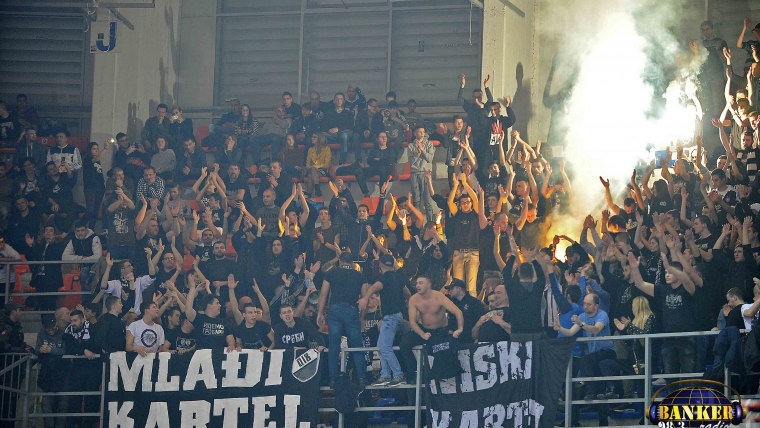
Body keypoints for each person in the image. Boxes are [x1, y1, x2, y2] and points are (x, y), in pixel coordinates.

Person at [628, 252, 698, 374]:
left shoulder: (687, 288)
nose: (667, 275)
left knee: (689, 378)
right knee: (670, 378)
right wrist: (635, 269)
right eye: (665, 272)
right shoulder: (663, 289)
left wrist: (669, 266)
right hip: (668, 339)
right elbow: (640, 284)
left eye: (670, 272)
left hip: (687, 338)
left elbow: (686, 280)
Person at [358, 254, 411, 386]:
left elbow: (373, 287)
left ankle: (398, 375)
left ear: (380, 264)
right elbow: (408, 293)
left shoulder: (384, 277)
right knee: (381, 346)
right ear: (393, 264)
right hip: (398, 315)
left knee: (385, 347)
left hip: (390, 317)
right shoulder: (398, 277)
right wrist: (408, 303)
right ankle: (385, 375)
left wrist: (364, 298)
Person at [317, 251, 369, 386]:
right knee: (356, 344)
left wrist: (320, 313)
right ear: (352, 262)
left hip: (334, 310)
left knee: (334, 345)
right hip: (351, 310)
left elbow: (323, 294)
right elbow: (365, 299)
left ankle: (333, 379)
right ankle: (362, 377)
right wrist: (362, 317)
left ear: (340, 261)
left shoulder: (331, 273)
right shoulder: (359, 276)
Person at [554, 294, 618, 400]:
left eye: (589, 304)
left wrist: (581, 324)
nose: (585, 306)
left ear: (596, 306)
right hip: (594, 354)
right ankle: (593, 394)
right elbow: (570, 332)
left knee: (586, 360)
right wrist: (560, 328)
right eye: (584, 303)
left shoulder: (602, 314)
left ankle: (590, 393)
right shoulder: (582, 316)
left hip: (607, 350)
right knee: (588, 362)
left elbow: (596, 329)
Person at [400, 275, 463, 381]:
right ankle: (414, 371)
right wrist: (422, 334)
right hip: (424, 329)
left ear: (428, 285)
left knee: (443, 347)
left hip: (440, 330)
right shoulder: (413, 299)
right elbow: (412, 322)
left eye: (421, 283)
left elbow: (458, 312)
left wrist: (460, 328)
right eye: (417, 283)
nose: (417, 285)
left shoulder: (439, 296)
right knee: (404, 344)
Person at [448, 176, 487, 296]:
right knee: (458, 286)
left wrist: (465, 184)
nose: (465, 204)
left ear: (470, 203)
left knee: (471, 286)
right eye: (463, 203)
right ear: (460, 204)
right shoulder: (457, 214)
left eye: (467, 202)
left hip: (473, 252)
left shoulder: (475, 213)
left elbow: (475, 199)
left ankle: (472, 307)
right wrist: (455, 186)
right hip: (458, 252)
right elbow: (449, 202)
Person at [63, 309, 100, 428]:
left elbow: (96, 346)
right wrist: (83, 350)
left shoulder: (93, 329)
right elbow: (68, 348)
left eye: (75, 320)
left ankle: (89, 423)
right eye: (71, 321)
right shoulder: (68, 330)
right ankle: (75, 423)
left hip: (93, 369)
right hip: (77, 368)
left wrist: (81, 349)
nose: (72, 323)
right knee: (75, 397)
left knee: (91, 397)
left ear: (83, 319)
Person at [184, 274, 236, 351]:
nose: (220, 305)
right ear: (209, 306)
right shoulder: (199, 319)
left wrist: (231, 345)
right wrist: (192, 288)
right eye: (217, 303)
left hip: (219, 355)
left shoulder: (223, 321)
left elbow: (230, 338)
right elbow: (188, 309)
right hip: (202, 355)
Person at [36, 314, 68, 428]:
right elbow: (37, 350)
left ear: (56, 324)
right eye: (48, 328)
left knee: (63, 403)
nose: (51, 330)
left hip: (63, 373)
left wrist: (51, 350)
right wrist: (41, 350)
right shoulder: (41, 333)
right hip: (48, 373)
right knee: (46, 403)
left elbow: (67, 350)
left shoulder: (64, 332)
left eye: (52, 327)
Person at [408, 125, 436, 221]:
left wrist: (423, 150)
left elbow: (430, 159)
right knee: (416, 201)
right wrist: (417, 154)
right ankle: (417, 224)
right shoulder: (411, 146)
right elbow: (411, 162)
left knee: (428, 202)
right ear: (415, 133)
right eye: (419, 132)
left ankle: (430, 224)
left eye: (423, 132)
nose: (422, 134)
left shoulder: (429, 144)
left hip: (426, 174)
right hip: (415, 174)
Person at [445, 278, 485, 343]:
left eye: (451, 289)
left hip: (471, 340)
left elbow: (481, 320)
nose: (449, 291)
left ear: (459, 289)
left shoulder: (474, 302)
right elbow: (450, 322)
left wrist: (478, 337)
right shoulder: (452, 305)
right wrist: (450, 331)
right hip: (456, 340)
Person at [356, 131, 394, 198]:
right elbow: (369, 161)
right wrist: (381, 160)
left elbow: (389, 161)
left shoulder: (390, 150)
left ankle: (382, 194)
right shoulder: (374, 150)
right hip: (375, 168)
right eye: (381, 137)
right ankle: (366, 193)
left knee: (383, 169)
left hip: (385, 169)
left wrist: (377, 159)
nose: (384, 138)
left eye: (385, 137)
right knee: (358, 171)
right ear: (377, 139)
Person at [323, 93, 355, 165]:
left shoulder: (349, 114)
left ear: (344, 101)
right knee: (320, 136)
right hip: (331, 135)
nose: (339, 101)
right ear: (334, 101)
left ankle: (342, 162)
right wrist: (329, 130)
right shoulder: (328, 113)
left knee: (344, 135)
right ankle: (323, 162)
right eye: (337, 99)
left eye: (341, 99)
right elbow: (323, 126)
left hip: (343, 134)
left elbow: (351, 126)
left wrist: (338, 129)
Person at [82, 141, 108, 229]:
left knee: (95, 211)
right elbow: (95, 159)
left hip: (100, 187)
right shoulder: (87, 159)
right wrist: (105, 148)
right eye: (94, 149)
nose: (96, 150)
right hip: (90, 188)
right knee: (90, 210)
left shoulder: (98, 160)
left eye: (97, 149)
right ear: (89, 150)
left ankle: (91, 229)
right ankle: (80, 225)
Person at [304, 132, 331, 196]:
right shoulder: (310, 150)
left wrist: (318, 166)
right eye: (312, 137)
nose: (312, 138)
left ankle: (308, 194)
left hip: (323, 170)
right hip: (312, 169)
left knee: (310, 175)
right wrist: (313, 167)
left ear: (319, 138)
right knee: (312, 170)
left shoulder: (326, 149)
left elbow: (327, 164)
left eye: (314, 137)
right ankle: (317, 189)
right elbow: (307, 165)